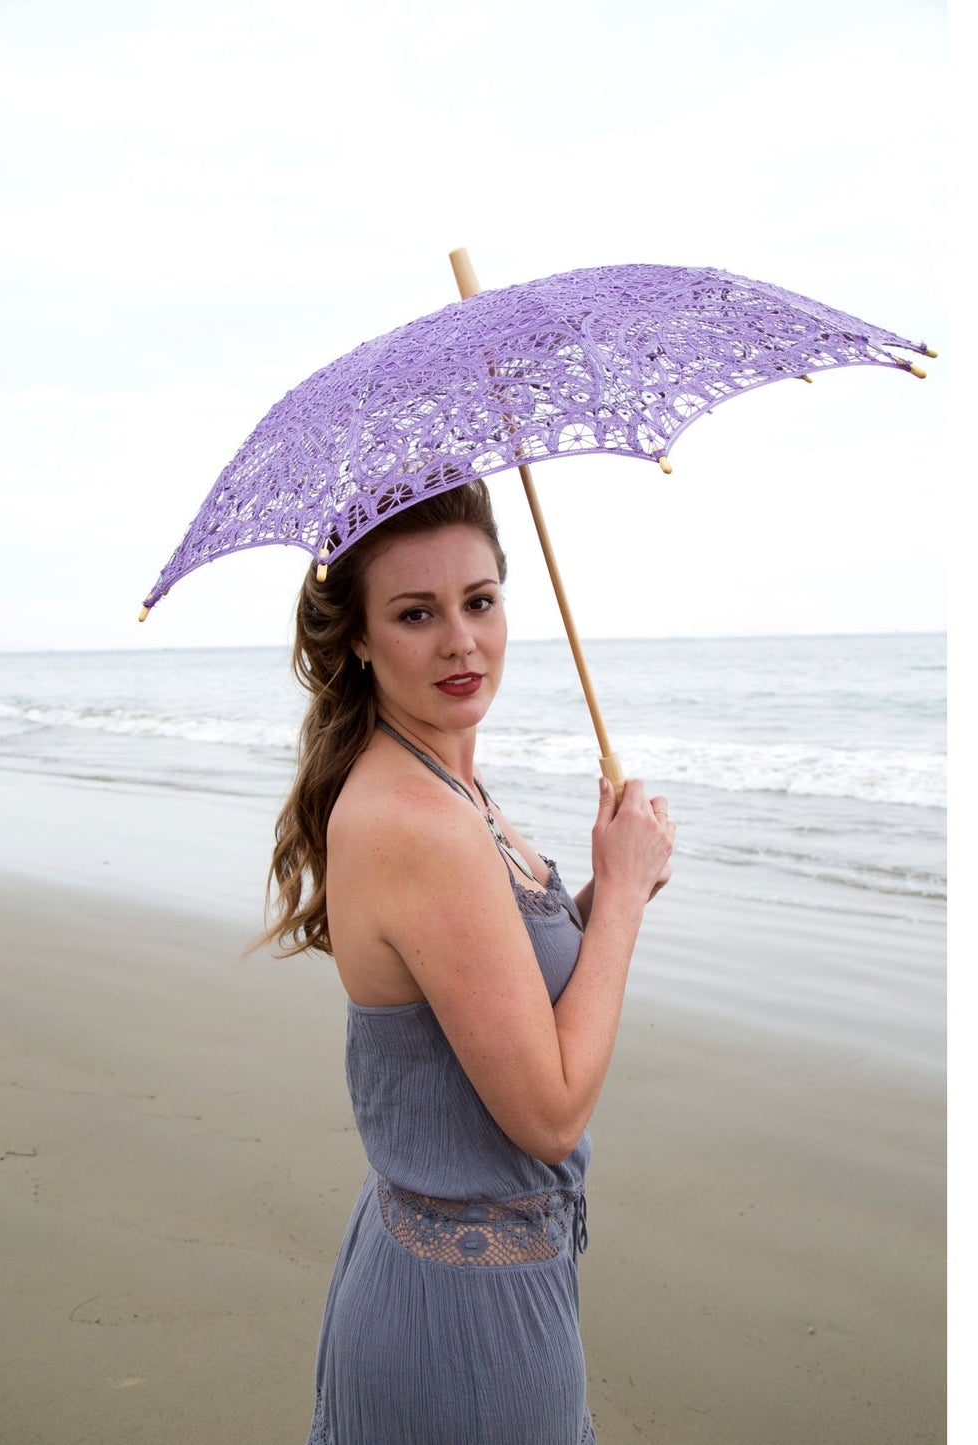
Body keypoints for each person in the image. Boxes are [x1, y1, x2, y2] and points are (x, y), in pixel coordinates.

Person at [266, 480, 674, 1445]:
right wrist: (616, 899)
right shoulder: (417, 820)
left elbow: (489, 986)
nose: (461, 641)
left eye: (479, 600)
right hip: (465, 1320)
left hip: (456, 1271)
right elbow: (546, 1110)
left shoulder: (443, 780)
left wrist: (600, 901)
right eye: (416, 613)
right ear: (359, 637)